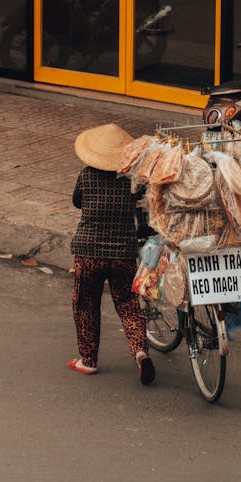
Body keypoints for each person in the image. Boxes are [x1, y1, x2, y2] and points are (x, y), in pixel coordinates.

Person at [68, 123, 156, 385]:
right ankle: (140, 352)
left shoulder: (86, 175)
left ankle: (88, 360)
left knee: (85, 304)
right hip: (123, 253)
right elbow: (142, 210)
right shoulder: (133, 181)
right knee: (128, 305)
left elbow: (77, 201)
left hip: (88, 252)